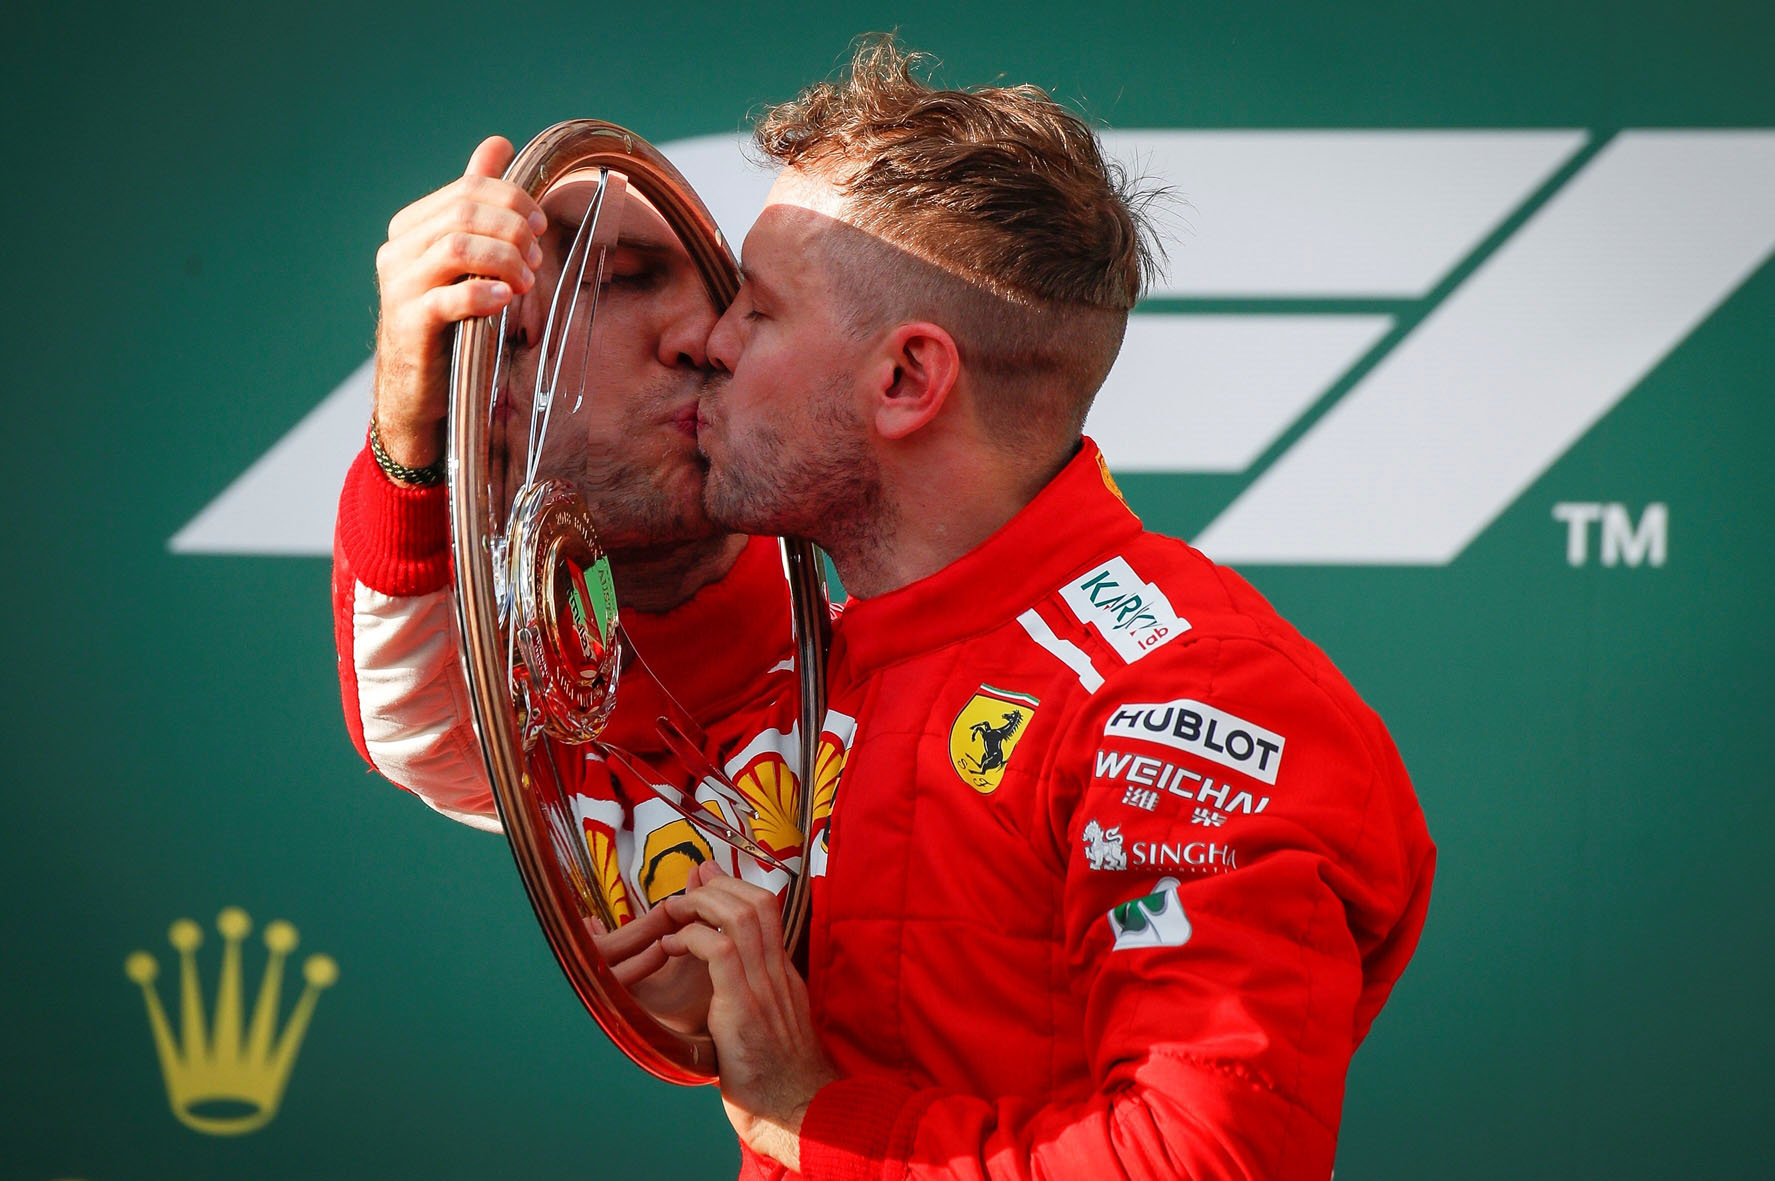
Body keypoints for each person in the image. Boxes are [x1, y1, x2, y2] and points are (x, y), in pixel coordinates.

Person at [646, 37, 1435, 1181]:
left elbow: (1199, 1162)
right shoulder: (847, 640)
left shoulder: (1178, 695)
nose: (704, 345)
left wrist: (816, 1116)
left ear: (907, 381)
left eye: (756, 312)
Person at [332, 136, 797, 901]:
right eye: (616, 278)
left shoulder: (892, 632)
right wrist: (411, 437)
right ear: (494, 394)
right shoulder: (542, 745)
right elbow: (423, 727)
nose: (709, 335)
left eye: (733, 293)